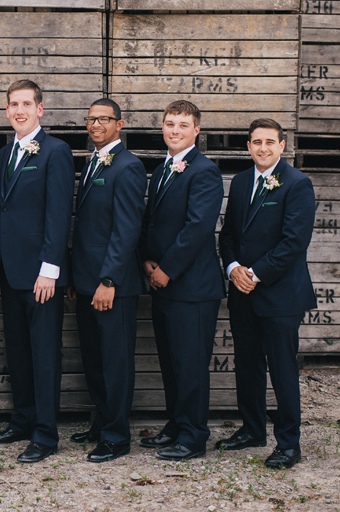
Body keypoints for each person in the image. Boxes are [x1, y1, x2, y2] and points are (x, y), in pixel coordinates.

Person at [217, 118, 316, 469]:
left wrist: (255, 274)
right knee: (248, 365)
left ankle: (289, 443)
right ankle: (252, 429)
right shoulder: (242, 182)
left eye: (270, 142)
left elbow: (293, 243)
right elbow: (228, 234)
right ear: (248, 146)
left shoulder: (297, 184)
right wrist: (233, 269)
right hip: (243, 291)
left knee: (282, 369)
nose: (263, 148)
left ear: (282, 146)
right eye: (256, 142)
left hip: (280, 296)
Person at [0, 79, 75, 463]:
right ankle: (22, 420)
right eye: (13, 104)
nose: (19, 110)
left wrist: (50, 270)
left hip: (41, 276)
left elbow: (59, 215)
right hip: (9, 274)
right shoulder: (3, 155)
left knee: (44, 355)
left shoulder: (56, 151)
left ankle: (45, 433)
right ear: (7, 111)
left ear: (40, 109)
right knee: (19, 354)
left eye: (26, 103)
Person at [138, 100, 225, 461]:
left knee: (190, 366)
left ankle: (193, 436)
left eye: (182, 125)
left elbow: (197, 228)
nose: (174, 130)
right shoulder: (162, 171)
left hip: (192, 288)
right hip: (163, 284)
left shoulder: (204, 171)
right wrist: (146, 259)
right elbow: (152, 222)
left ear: (196, 130)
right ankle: (176, 424)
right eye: (170, 123)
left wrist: (166, 269)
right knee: (172, 363)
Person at [67, 98, 147, 463]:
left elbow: (126, 229)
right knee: (95, 360)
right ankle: (102, 423)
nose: (96, 124)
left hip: (111, 286)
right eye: (91, 119)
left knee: (115, 362)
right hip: (86, 283)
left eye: (104, 119)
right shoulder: (93, 162)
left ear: (120, 123)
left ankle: (117, 436)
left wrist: (109, 280)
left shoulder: (127, 167)